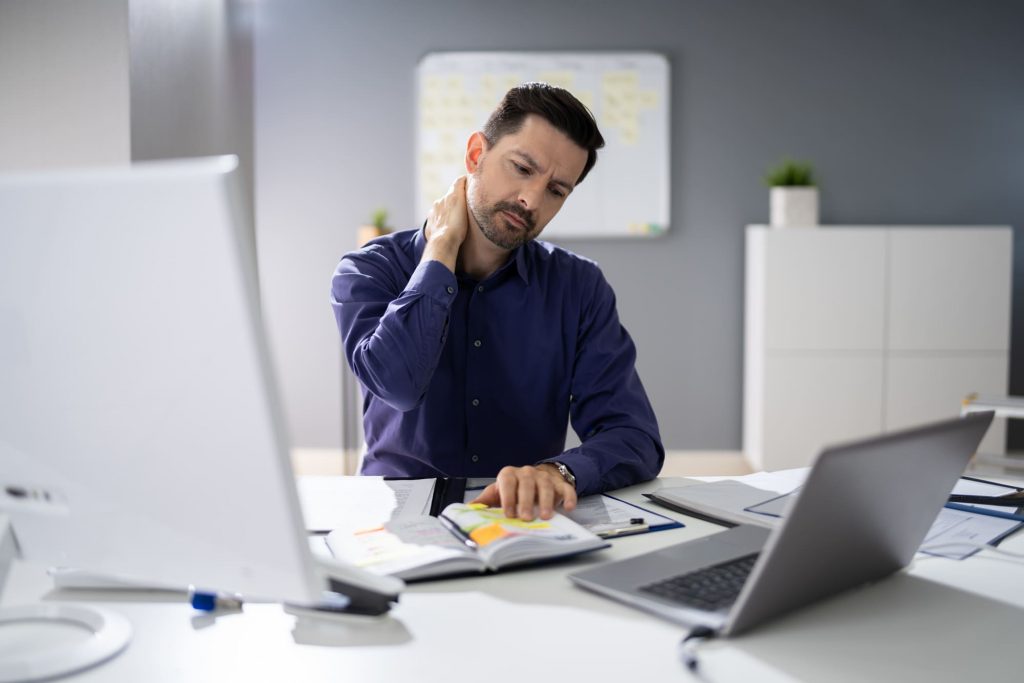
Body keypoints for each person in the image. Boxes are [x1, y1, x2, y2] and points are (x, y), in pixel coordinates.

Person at [331, 82, 663, 522]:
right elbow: (398, 386)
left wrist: (558, 471)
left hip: (519, 520)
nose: (531, 200)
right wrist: (440, 253)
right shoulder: (368, 271)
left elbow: (633, 435)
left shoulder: (579, 286)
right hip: (395, 519)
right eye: (523, 168)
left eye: (556, 191)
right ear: (475, 155)